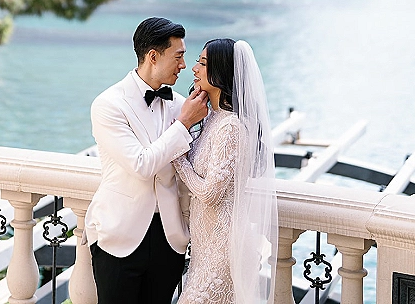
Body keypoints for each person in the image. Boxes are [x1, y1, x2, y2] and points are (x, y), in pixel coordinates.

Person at [85, 17, 209, 304]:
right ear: (153, 56)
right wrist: (183, 124)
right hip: (119, 236)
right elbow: (141, 165)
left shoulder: (181, 104)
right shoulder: (108, 104)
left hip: (169, 237)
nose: (184, 65)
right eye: (178, 56)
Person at [173, 38, 277, 304]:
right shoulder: (212, 118)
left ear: (221, 72)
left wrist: (177, 158)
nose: (194, 68)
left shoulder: (231, 127)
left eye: (203, 63)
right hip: (205, 246)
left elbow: (210, 194)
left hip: (224, 249)